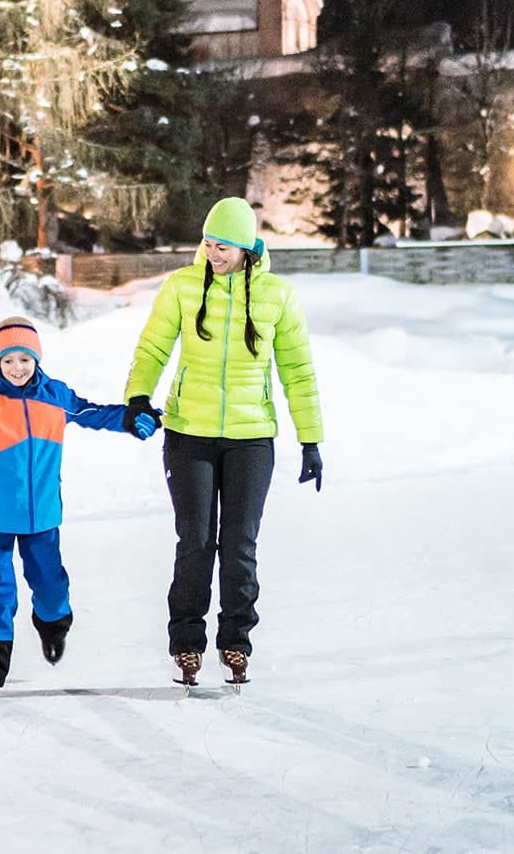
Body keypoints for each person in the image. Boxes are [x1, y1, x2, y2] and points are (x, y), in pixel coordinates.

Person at [123, 197, 323, 686]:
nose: (214, 254)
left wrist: (310, 439)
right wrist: (137, 396)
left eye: (224, 247)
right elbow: (153, 345)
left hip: (252, 438)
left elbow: (297, 370)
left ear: (248, 247)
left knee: (239, 545)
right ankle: (187, 645)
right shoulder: (182, 287)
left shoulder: (277, 295)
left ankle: (235, 642)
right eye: (208, 244)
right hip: (188, 433)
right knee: (195, 541)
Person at [0, 316, 157, 698]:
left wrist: (130, 419)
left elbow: (93, 414)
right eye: (8, 361)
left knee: (50, 585)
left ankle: (54, 625)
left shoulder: (55, 397)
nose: (17, 368)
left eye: (24, 359)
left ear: (36, 359)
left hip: (43, 519)